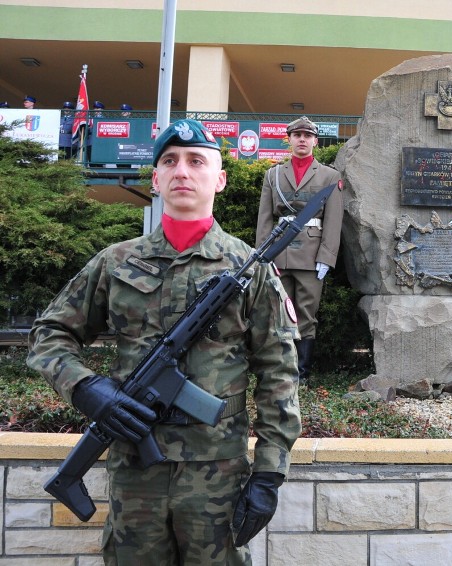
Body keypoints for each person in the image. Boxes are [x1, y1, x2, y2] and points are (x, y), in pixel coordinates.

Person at [27, 119, 301, 565]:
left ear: (220, 178)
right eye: (169, 162)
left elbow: (279, 372)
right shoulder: (115, 263)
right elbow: (49, 333)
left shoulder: (249, 270)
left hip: (217, 473)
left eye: (197, 161)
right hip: (136, 470)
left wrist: (270, 471)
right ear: (155, 179)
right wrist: (86, 388)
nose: (182, 171)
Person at [256, 116, 343, 386]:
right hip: (279, 253)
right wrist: (263, 255)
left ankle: (301, 374)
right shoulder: (273, 174)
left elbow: (334, 219)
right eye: (297, 135)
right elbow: (265, 218)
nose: (302, 139)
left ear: (315, 141)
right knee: (277, 312)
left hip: (311, 254)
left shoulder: (330, 175)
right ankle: (280, 372)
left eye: (307, 135)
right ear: (289, 139)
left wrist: (326, 257)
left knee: (306, 314)